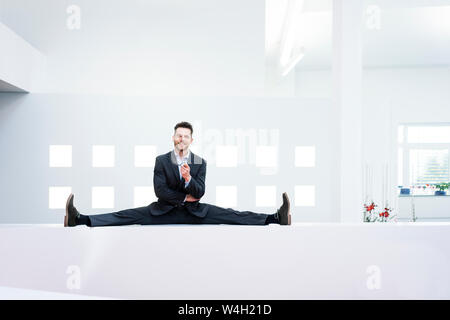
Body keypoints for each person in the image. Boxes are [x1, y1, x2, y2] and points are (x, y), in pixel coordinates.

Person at [64, 121, 291, 227]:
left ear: (191, 140)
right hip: (163, 212)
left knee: (232, 214)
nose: (181, 138)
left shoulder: (200, 162)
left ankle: (275, 218)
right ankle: (79, 219)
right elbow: (160, 191)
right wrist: (183, 197)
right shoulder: (161, 161)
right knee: (126, 215)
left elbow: (200, 192)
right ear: (173, 138)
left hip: (196, 213)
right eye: (178, 135)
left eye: (185, 136)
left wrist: (188, 180)